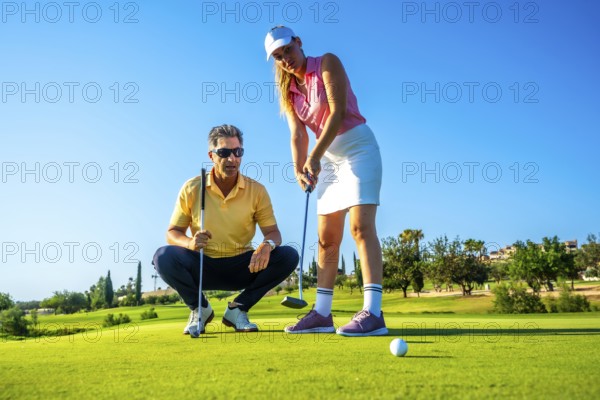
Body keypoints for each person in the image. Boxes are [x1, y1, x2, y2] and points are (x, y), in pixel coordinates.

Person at [264, 26, 387, 336]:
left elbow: (336, 113)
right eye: (278, 57)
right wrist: (298, 169)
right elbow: (297, 134)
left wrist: (314, 157)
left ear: (298, 42)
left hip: (358, 149)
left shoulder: (327, 63)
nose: (285, 59)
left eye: (287, 50)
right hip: (327, 160)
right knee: (327, 240)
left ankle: (373, 312)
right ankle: (321, 314)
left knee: (360, 227)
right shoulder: (289, 91)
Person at [153, 124, 298, 335]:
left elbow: (274, 233)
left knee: (288, 256)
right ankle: (199, 308)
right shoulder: (193, 187)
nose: (232, 159)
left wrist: (267, 245)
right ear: (211, 155)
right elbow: (172, 232)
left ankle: (238, 309)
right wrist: (190, 243)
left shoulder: (257, 190)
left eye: (238, 152)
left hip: (243, 265)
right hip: (203, 265)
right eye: (224, 152)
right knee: (163, 256)